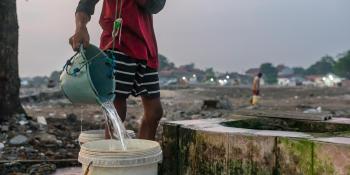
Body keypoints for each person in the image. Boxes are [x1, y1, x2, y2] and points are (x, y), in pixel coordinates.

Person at [69, 0, 164, 140]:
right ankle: (113, 157)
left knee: (155, 112)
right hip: (118, 43)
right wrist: (80, 27)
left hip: (146, 47)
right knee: (117, 110)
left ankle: (141, 157)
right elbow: (86, 3)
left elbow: (156, 6)